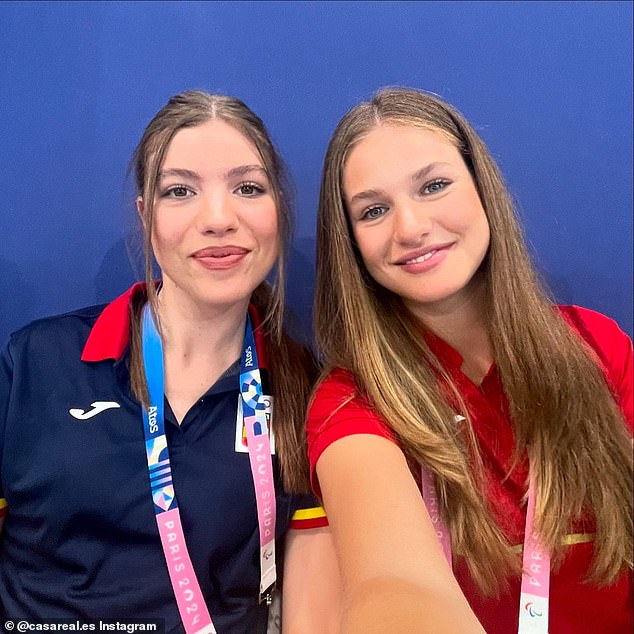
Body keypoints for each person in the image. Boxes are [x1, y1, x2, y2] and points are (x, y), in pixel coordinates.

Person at [0, 90, 332, 633]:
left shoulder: (305, 390)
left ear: (279, 209)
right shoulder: (35, 362)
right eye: (179, 191)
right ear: (145, 217)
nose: (218, 218)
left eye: (248, 188)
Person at [306, 87, 633, 633]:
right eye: (374, 210)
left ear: (483, 189)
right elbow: (391, 584)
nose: (409, 227)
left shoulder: (596, 344)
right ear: (351, 243)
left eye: (434, 186)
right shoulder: (350, 402)